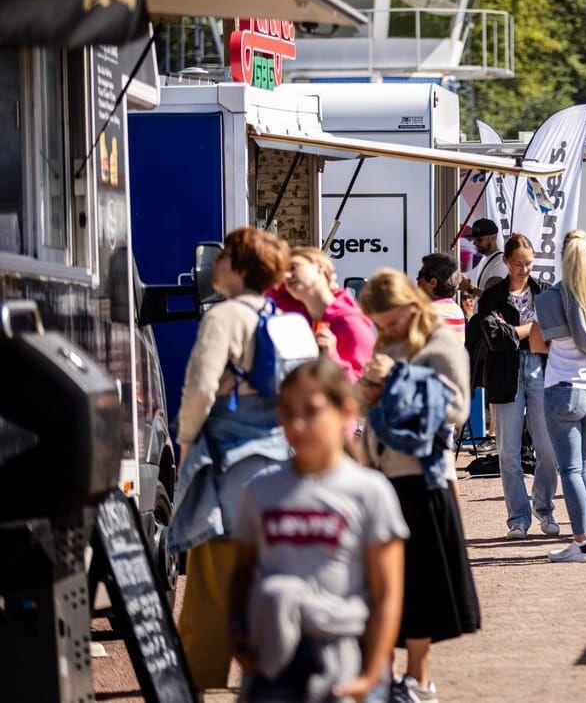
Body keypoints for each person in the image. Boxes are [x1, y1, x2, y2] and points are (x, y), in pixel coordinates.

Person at [229, 359, 406, 702]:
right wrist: (237, 631)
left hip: (345, 657)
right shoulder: (259, 491)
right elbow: (241, 573)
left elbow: (387, 595)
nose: (297, 423)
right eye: (287, 412)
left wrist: (371, 675)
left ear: (345, 413)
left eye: (312, 411)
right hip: (273, 665)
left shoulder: (370, 492)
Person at [170, 227, 295, 690]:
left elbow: (201, 386)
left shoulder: (222, 317)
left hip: (226, 458)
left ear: (238, 267)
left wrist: (186, 439)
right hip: (277, 460)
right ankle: (269, 672)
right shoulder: (284, 318)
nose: (214, 265)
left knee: (209, 576)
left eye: (222, 258)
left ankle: (198, 677)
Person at [357, 270, 480, 700]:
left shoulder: (441, 343)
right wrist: (365, 389)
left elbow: (456, 406)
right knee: (383, 585)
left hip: (422, 477)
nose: (387, 331)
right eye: (379, 324)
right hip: (380, 475)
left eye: (391, 321)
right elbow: (369, 406)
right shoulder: (388, 344)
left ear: (413, 304)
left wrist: (394, 378)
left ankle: (419, 679)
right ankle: (385, 676)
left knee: (419, 584)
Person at [468, 233, 559, 541]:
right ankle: (517, 518)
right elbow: (496, 340)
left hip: (540, 369)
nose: (524, 269)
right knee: (508, 452)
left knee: (547, 448)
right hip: (505, 373)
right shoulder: (492, 297)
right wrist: (530, 329)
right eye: (518, 263)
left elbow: (554, 333)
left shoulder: (545, 292)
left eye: (529, 263)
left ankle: (544, 507)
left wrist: (514, 332)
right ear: (506, 262)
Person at [536, 232, 586, 562]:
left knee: (570, 470)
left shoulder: (551, 297)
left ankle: (581, 543)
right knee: (584, 468)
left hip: (563, 388)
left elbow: (540, 344)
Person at [274, 246, 376, 385]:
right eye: (284, 273)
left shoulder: (351, 323)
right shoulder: (300, 317)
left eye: (293, 267)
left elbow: (364, 385)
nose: (287, 276)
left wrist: (332, 357)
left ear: (319, 267)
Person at [417, 252, 467, 338]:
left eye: (420, 274)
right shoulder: (456, 310)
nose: (417, 279)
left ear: (433, 283)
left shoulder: (428, 312)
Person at [466, 218, 504, 289]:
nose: (475, 243)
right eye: (474, 239)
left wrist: (469, 288)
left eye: (480, 239)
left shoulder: (501, 263)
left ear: (493, 238)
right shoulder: (484, 259)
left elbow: (494, 298)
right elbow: (482, 293)